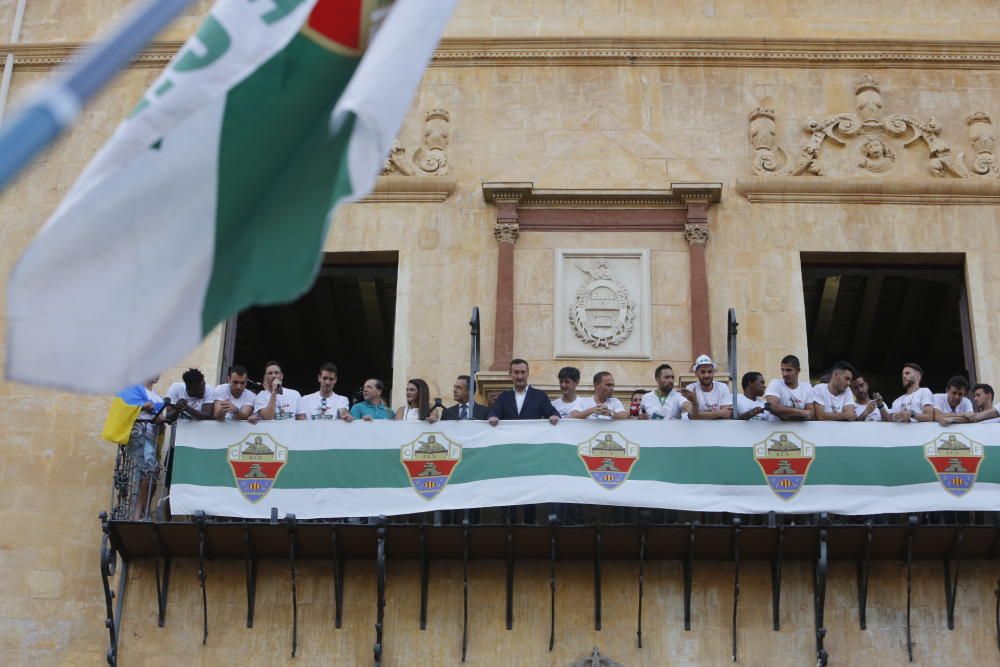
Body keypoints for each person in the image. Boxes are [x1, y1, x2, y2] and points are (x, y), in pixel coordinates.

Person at [488, 358, 559, 426]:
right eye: (516, 372)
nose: (520, 377)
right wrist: (492, 416)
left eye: (523, 372)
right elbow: (494, 413)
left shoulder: (540, 396)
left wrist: (554, 416)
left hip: (532, 438)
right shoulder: (503, 397)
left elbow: (553, 413)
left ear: (528, 373)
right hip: (509, 438)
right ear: (510, 373)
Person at [764, 355, 814, 421]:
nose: (785, 374)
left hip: (800, 429)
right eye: (782, 370)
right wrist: (800, 412)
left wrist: (784, 413)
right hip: (776, 429)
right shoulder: (775, 383)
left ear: (798, 370)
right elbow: (772, 406)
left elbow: (810, 413)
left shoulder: (807, 387)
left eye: (789, 370)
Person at [684, 354, 732, 419]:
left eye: (709, 371)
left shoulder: (722, 387)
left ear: (713, 372)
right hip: (697, 428)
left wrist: (698, 415)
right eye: (703, 372)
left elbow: (728, 414)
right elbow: (692, 415)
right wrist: (719, 413)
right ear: (696, 373)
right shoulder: (690, 388)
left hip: (719, 428)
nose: (707, 375)